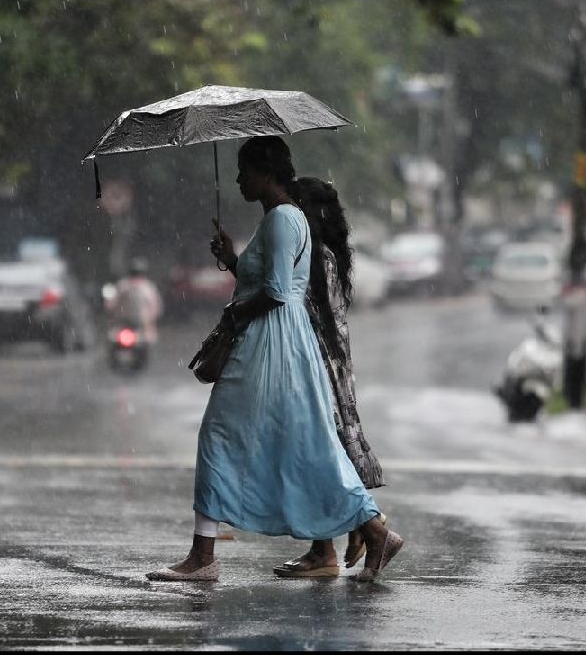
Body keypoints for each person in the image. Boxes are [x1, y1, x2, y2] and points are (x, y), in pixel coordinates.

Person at [145, 136, 402, 583]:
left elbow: (278, 292)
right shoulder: (284, 219)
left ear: (266, 172)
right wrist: (232, 260)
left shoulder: (283, 219)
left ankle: (203, 557)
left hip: (270, 345)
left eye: (245, 171)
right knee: (305, 444)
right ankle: (374, 529)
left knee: (220, 436)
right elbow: (265, 280)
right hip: (280, 342)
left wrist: (234, 314)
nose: (240, 179)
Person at [272, 176, 389, 578]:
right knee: (321, 452)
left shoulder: (315, 255)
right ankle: (334, 542)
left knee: (320, 452)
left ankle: (361, 532)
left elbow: (288, 301)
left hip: (316, 364)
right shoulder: (330, 253)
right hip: (330, 362)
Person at [108, 257, 163, 345]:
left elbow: (111, 305)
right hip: (135, 325)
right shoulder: (148, 287)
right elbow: (156, 308)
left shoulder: (122, 285)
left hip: (130, 325)